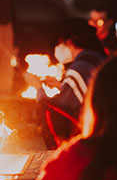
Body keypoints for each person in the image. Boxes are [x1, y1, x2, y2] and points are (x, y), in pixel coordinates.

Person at [25, 18, 106, 149]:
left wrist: (38, 88)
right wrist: (61, 85)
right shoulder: (96, 58)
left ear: (70, 42)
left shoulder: (79, 68)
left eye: (60, 43)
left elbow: (60, 110)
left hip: (95, 139)